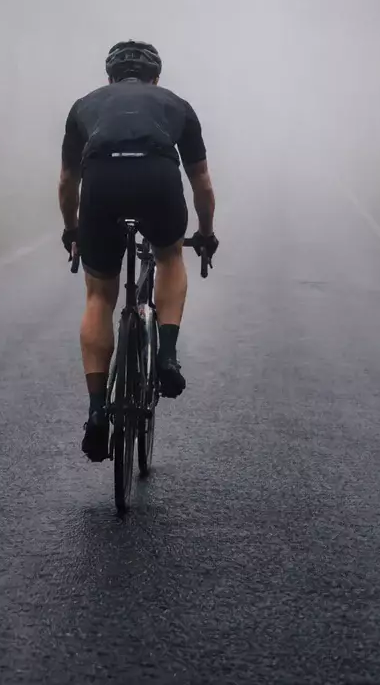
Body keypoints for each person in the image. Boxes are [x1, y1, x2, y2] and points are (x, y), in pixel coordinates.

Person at [59, 40, 218, 462]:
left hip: (101, 184)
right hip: (157, 179)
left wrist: (72, 229)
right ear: (156, 78)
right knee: (169, 257)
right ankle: (166, 356)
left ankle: (96, 413)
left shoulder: (84, 106)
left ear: (108, 78)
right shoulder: (177, 105)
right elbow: (201, 182)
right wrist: (205, 233)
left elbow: (66, 183)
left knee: (98, 295)